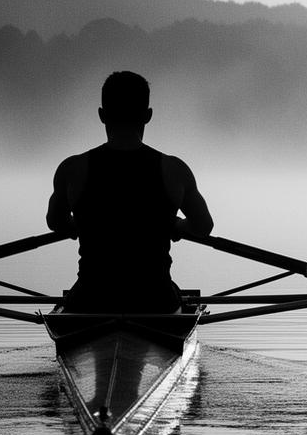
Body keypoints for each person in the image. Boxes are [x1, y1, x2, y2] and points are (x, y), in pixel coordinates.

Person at [47, 71, 214, 314]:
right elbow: (203, 226)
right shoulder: (174, 170)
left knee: (80, 296)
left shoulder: (72, 169)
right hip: (156, 301)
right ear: (148, 116)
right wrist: (177, 225)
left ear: (102, 115)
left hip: (91, 299)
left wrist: (83, 223)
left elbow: (56, 222)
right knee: (172, 295)